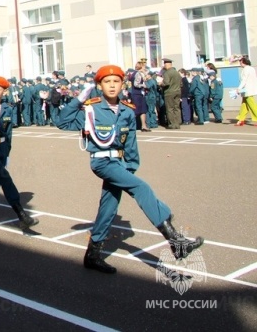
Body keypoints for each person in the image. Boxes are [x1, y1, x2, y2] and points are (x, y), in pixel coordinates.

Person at [55, 65, 203, 274]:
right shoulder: (91, 109)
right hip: (102, 162)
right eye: (107, 82)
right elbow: (61, 122)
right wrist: (78, 100)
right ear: (99, 85)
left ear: (122, 84)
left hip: (119, 164)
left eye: (116, 81)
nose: (112, 85)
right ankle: (177, 242)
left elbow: (130, 143)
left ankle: (93, 255)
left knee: (109, 207)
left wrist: (130, 169)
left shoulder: (126, 110)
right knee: (141, 188)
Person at [0, 76, 38, 229]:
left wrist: (7, 154)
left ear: (4, 92)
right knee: (4, 177)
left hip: (1, 149)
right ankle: (21, 213)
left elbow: (9, 134)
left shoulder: (8, 108)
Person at [160, 58, 182, 129]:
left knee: (170, 109)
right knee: (177, 108)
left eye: (164, 64)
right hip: (178, 91)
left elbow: (166, 83)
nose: (164, 65)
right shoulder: (176, 72)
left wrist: (160, 83)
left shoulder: (167, 73)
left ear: (166, 64)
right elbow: (181, 84)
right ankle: (177, 123)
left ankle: (172, 124)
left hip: (169, 92)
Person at [235, 56, 257, 126]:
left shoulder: (246, 69)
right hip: (249, 89)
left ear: (243, 62)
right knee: (244, 105)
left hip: (247, 90)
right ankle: (241, 119)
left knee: (252, 105)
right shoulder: (251, 68)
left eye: (240, 62)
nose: (240, 63)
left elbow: (244, 80)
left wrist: (239, 88)